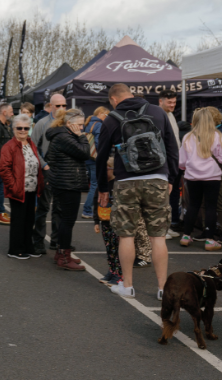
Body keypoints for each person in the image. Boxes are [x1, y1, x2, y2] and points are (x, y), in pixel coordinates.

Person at [96, 83, 179, 300]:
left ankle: (128, 286)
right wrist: (171, 178)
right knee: (158, 237)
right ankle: (163, 289)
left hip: (126, 182)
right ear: (130, 94)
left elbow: (101, 156)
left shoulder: (111, 119)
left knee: (126, 236)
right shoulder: (157, 111)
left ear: (113, 99)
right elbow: (172, 147)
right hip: (157, 178)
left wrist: (103, 188)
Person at [45, 108, 90, 270]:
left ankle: (61, 252)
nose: (82, 128)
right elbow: (85, 152)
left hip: (66, 182)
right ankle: (64, 256)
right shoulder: (64, 136)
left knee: (66, 219)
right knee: (68, 220)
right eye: (79, 125)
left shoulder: (62, 135)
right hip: (67, 183)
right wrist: (81, 137)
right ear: (70, 124)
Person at [0, 114, 44, 260]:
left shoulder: (31, 144)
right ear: (13, 129)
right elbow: (4, 169)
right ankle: (15, 249)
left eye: (26, 128)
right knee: (19, 220)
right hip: (18, 189)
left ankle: (28, 246)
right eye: (19, 128)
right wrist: (13, 186)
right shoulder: (9, 147)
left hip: (32, 188)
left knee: (29, 219)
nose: (23, 131)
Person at [178, 108, 222, 250]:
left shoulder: (188, 137)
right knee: (211, 207)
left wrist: (187, 169)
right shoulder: (217, 136)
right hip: (213, 176)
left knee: (193, 205)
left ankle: (186, 236)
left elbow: (181, 162)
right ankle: (210, 240)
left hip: (192, 177)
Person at [30, 94, 65, 254]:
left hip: (63, 171)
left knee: (59, 208)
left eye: (63, 105)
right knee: (43, 207)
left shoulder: (67, 123)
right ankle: (38, 241)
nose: (61, 109)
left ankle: (56, 241)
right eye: (57, 105)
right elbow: (33, 147)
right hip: (47, 171)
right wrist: (44, 165)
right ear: (50, 106)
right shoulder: (42, 124)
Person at [159, 90, 182, 238]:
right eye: (170, 102)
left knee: (172, 195)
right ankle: (162, 229)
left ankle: (167, 226)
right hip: (165, 162)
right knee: (163, 196)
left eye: (174, 102)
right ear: (161, 101)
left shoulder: (171, 115)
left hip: (174, 161)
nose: (173, 105)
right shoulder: (159, 116)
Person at [81, 106, 109, 219]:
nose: (107, 118)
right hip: (94, 159)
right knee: (95, 184)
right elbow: (99, 142)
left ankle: (89, 209)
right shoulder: (99, 124)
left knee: (93, 184)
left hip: (87, 157)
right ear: (101, 113)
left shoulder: (88, 123)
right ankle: (87, 210)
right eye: (106, 115)